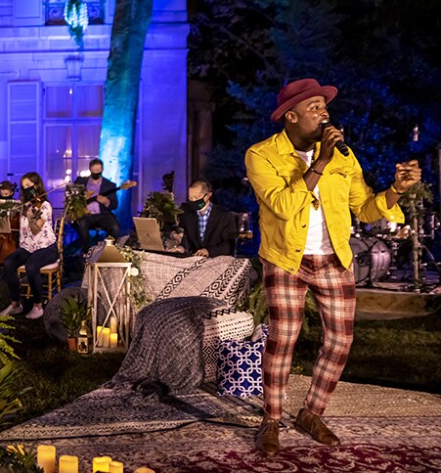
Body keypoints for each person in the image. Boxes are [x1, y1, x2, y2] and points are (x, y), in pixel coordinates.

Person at [245, 78, 421, 457]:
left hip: (333, 258)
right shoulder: (261, 155)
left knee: (340, 341)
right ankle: (272, 420)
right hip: (285, 258)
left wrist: (396, 190)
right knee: (283, 340)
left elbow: (367, 209)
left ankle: (311, 413)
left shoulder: (345, 157)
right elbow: (282, 205)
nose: (324, 114)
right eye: (314, 108)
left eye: (325, 108)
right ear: (290, 116)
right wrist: (320, 162)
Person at [0, 172, 58, 320]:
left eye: (28, 186)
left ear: (36, 186)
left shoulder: (44, 206)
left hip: (46, 247)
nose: (25, 189)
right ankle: (15, 304)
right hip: (27, 247)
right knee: (8, 262)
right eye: (23, 187)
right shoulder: (24, 206)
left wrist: (32, 215)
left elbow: (36, 229)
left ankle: (38, 305)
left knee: (31, 266)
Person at [178, 180, 237, 257]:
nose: (193, 201)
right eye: (191, 198)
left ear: (208, 195)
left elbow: (229, 245)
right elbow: (187, 241)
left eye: (196, 197)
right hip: (195, 260)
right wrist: (182, 248)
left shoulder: (225, 216)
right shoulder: (188, 215)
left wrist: (209, 251)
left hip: (218, 260)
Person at [73, 159, 120, 253]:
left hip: (103, 215)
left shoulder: (110, 185)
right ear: (90, 169)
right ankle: (86, 251)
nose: (96, 173)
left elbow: (115, 205)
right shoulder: (80, 182)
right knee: (80, 223)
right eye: (94, 171)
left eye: (98, 171)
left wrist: (107, 202)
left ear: (102, 170)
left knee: (115, 227)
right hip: (86, 215)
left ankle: (108, 251)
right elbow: (72, 198)